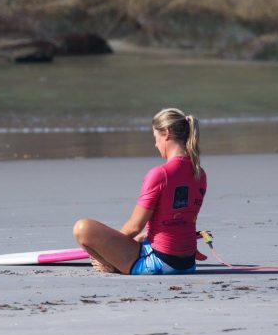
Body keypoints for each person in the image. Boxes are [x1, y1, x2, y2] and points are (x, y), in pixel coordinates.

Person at [73, 108, 207, 274]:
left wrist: (110, 249)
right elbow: (181, 219)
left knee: (82, 228)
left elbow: (134, 226)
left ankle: (109, 266)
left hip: (158, 263)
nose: (155, 144)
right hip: (187, 263)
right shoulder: (199, 173)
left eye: (155, 138)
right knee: (141, 236)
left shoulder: (160, 174)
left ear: (166, 133)